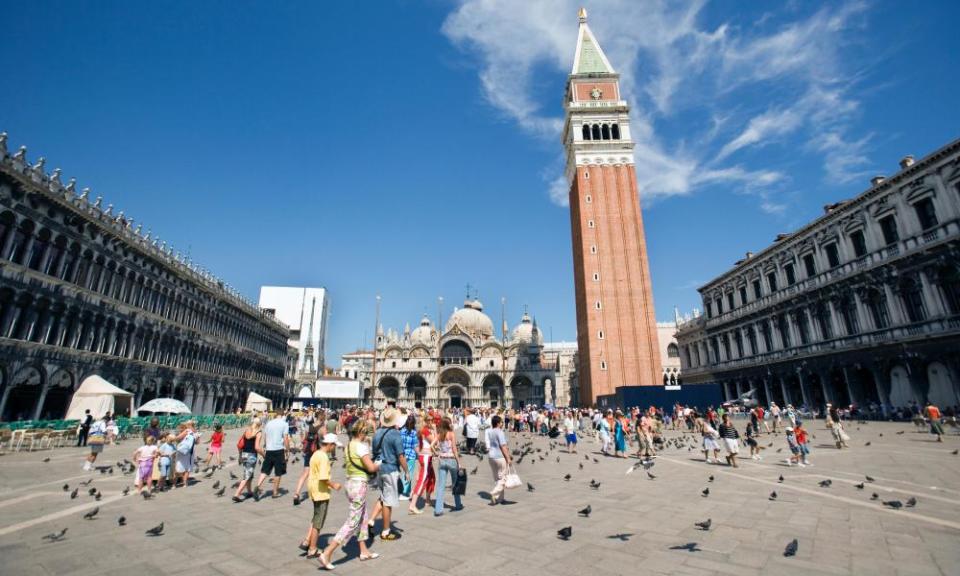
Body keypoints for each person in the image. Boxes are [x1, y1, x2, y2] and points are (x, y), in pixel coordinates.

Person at [318, 420, 381, 569]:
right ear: (360, 433)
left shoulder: (348, 446)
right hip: (359, 485)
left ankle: (364, 551)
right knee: (353, 521)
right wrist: (381, 464)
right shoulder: (361, 446)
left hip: (350, 484)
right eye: (365, 433)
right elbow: (371, 467)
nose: (366, 436)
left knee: (363, 516)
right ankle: (327, 553)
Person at [300, 433, 343, 559]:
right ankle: (312, 549)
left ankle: (308, 542)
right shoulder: (324, 457)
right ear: (330, 445)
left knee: (316, 517)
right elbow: (324, 478)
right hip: (321, 492)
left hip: (313, 489)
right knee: (319, 521)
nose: (334, 448)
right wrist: (334, 485)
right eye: (334, 445)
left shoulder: (316, 454)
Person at [368, 407, 407, 540]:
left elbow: (374, 451)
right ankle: (386, 531)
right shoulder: (395, 434)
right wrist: (407, 471)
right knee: (388, 502)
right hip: (390, 469)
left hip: (379, 468)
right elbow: (400, 455)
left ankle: (371, 521)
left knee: (384, 496)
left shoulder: (378, 432)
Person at [432, 416, 463, 516]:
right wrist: (459, 462)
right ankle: (458, 504)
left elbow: (431, 445)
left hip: (442, 460)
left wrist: (437, 454)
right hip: (451, 460)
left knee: (441, 485)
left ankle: (438, 509)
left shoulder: (439, 434)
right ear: (447, 424)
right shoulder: (451, 434)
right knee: (455, 483)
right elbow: (454, 449)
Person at [256, 412, 290, 499]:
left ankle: (258, 486)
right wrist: (287, 450)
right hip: (279, 450)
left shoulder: (269, 423)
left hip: (269, 450)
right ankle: (275, 492)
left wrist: (266, 446)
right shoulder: (284, 424)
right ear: (282, 415)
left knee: (265, 470)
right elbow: (285, 438)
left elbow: (265, 436)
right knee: (278, 472)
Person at [408, 420, 436, 515]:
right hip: (426, 457)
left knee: (431, 477)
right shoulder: (425, 431)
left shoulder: (421, 430)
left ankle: (427, 499)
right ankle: (412, 505)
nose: (432, 422)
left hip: (424, 456)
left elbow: (419, 445)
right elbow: (434, 441)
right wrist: (435, 430)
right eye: (431, 420)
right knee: (422, 481)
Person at [233, 418, 262, 502]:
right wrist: (263, 454)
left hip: (244, 454)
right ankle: (237, 494)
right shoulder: (258, 432)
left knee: (249, 473)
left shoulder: (246, 431)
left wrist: (240, 455)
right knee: (247, 476)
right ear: (259, 424)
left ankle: (249, 492)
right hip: (252, 456)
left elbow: (239, 444)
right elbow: (257, 447)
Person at [486, 414, 512, 505]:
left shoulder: (490, 431)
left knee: (497, 478)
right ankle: (494, 493)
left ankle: (500, 499)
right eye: (501, 422)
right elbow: (503, 446)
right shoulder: (500, 432)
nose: (502, 423)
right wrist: (508, 458)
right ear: (498, 423)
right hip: (500, 456)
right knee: (503, 478)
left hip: (491, 457)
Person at [294, 422, 322, 506]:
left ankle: (296, 494)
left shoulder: (308, 431)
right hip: (316, 454)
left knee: (305, 474)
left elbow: (303, 441)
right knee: (317, 474)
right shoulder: (320, 431)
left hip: (308, 453)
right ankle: (315, 493)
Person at [399, 415, 418, 501]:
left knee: (405, 472)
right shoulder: (414, 432)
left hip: (402, 454)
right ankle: (403, 492)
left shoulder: (402, 431)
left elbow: (399, 443)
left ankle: (408, 491)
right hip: (411, 455)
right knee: (408, 473)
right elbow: (415, 446)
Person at [173, 421, 198, 488]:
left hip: (181, 451)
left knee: (178, 467)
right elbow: (197, 442)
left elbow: (177, 438)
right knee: (187, 468)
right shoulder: (195, 432)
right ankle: (185, 483)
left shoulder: (187, 431)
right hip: (190, 452)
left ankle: (174, 484)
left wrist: (171, 438)